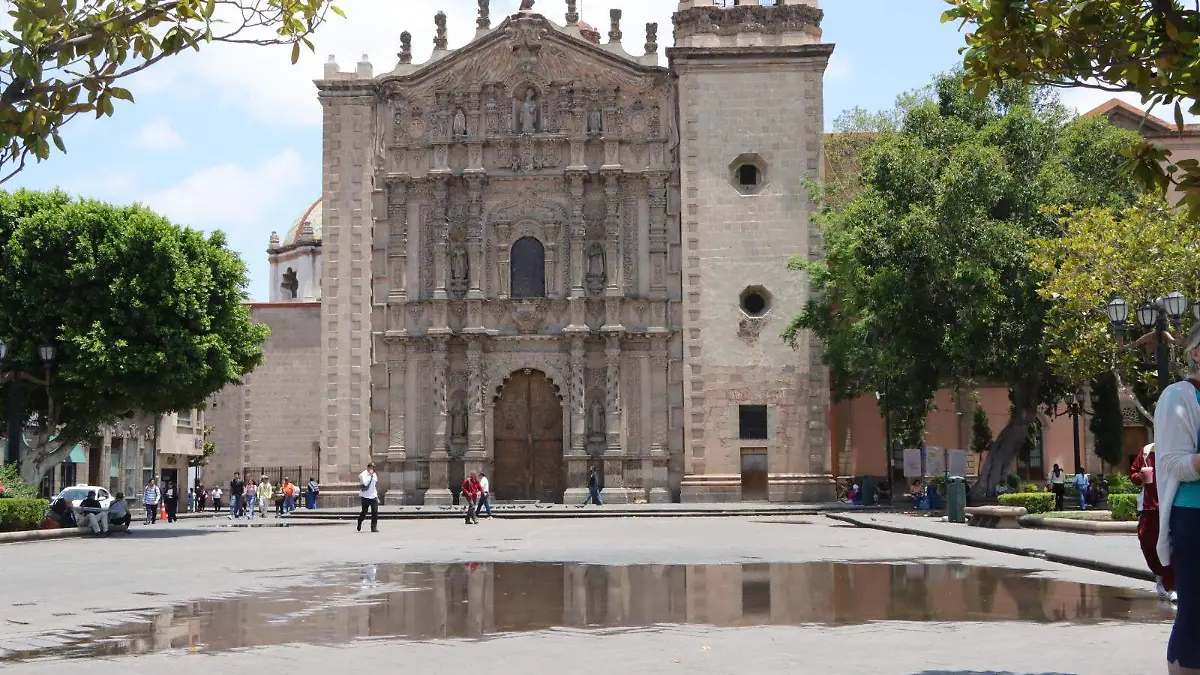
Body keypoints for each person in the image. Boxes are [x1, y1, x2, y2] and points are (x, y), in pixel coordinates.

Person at [1153, 323, 1200, 674]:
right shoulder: (1179, 396)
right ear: (1196, 353)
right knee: (1195, 614)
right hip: (1193, 517)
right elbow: (1171, 464)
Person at [1131, 443, 1175, 602]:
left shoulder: (1177, 447)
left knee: (1172, 546)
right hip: (1150, 506)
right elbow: (1134, 473)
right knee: (1147, 543)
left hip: (1173, 503)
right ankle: (1161, 575)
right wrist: (1139, 477)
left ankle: (1172, 585)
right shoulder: (1147, 451)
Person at [357, 463, 379, 533]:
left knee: (375, 512)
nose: (373, 469)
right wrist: (370, 476)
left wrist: (376, 496)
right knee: (364, 512)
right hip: (365, 496)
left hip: (373, 496)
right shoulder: (363, 475)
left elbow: (374, 485)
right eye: (372, 468)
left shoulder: (374, 474)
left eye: (374, 468)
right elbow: (365, 484)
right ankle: (359, 521)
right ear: (368, 468)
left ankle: (373, 527)